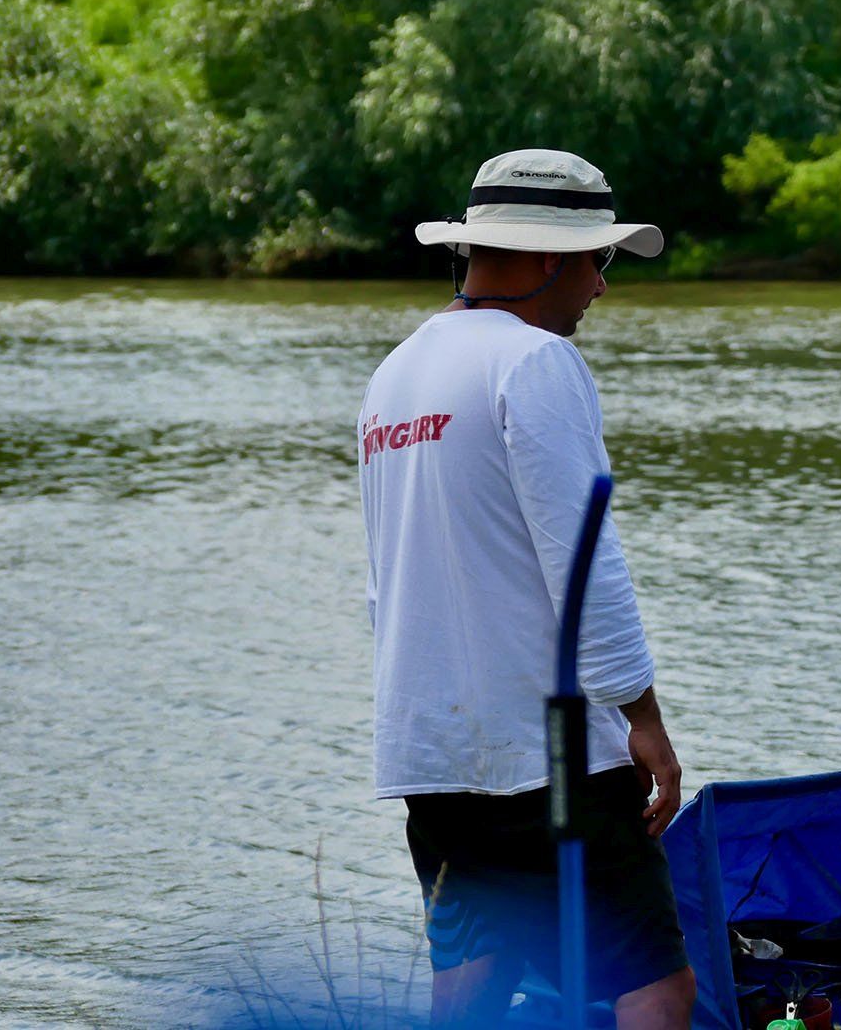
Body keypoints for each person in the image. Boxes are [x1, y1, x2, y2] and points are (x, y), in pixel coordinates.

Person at [359, 148, 695, 1028]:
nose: (601, 287)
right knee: (653, 982)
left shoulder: (393, 377)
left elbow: (382, 587)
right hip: (550, 757)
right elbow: (585, 563)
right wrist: (643, 718)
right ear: (549, 256)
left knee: (471, 977)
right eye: (600, 259)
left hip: (429, 750)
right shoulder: (534, 363)